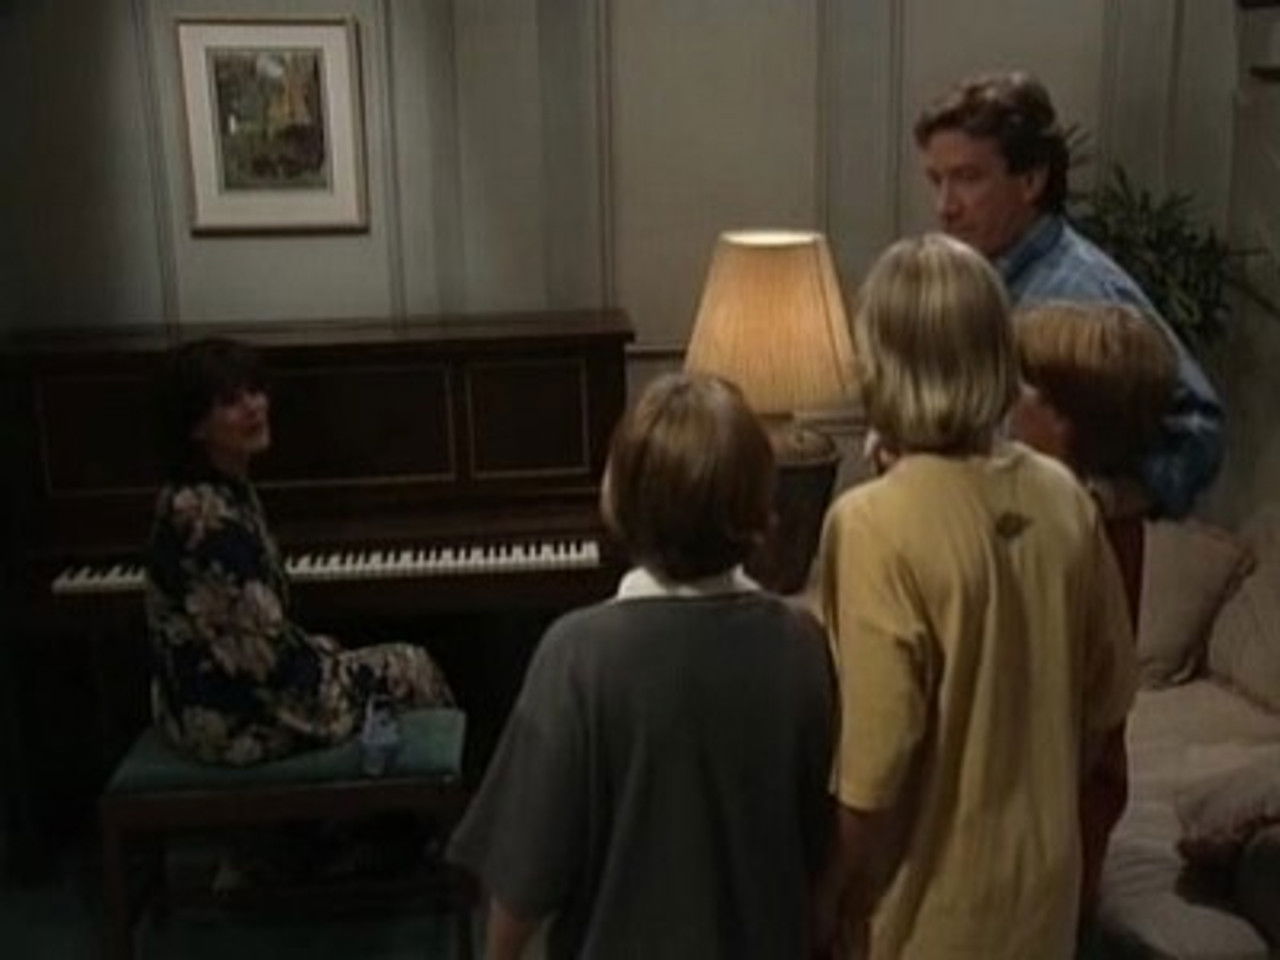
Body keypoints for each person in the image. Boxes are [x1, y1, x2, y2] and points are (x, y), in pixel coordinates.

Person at [815, 234, 1137, 960]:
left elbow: (874, 768)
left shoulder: (871, 525)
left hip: (929, 916)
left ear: (882, 361)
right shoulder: (1065, 497)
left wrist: (828, 898)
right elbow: (1107, 702)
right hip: (1044, 901)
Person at [447, 372, 836, 960]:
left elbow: (523, 880)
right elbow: (818, 847)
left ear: (620, 498)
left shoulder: (577, 655)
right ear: (759, 502)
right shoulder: (800, 644)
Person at [914, 69, 1223, 519]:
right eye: (936, 181)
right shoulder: (977, 283)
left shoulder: (1085, 292)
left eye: (967, 178)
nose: (945, 206)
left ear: (1031, 180)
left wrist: (1105, 498)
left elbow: (1200, 426)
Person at [145, 337, 454, 766]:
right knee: (414, 668)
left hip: (211, 697)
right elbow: (264, 660)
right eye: (231, 401)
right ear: (196, 425)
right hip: (232, 720)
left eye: (255, 391)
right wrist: (326, 663)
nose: (254, 407)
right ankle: (421, 796)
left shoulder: (219, 490)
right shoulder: (204, 518)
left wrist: (323, 654)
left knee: (365, 659)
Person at [1010, 300, 1178, 918]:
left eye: (1025, 388)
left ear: (1064, 420)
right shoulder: (1096, 511)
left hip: (1057, 808)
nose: (1010, 402)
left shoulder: (1079, 530)